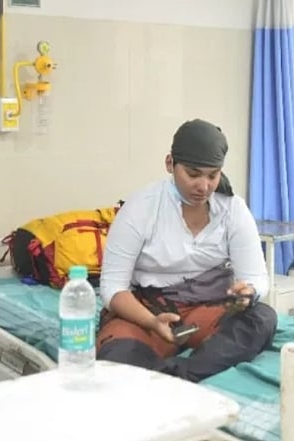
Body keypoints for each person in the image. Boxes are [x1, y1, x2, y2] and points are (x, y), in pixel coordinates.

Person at [97, 119, 277, 383]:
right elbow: (112, 288)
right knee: (117, 358)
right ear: (170, 163)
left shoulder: (233, 210)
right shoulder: (140, 208)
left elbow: (257, 278)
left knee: (262, 318)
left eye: (212, 175)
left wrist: (248, 293)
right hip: (149, 312)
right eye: (193, 174)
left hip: (208, 309)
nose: (203, 186)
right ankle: (174, 370)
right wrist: (152, 322)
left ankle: (182, 374)